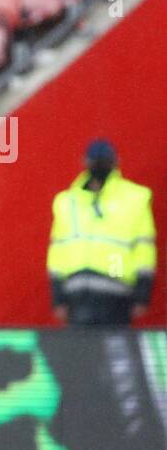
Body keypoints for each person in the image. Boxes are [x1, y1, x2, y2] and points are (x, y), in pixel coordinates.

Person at [48, 139, 156, 326]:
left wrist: (142, 292)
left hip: (115, 283)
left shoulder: (134, 197)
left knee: (112, 349)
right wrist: (58, 295)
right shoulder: (67, 201)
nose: (98, 166)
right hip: (77, 291)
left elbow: (144, 249)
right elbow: (57, 252)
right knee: (82, 352)